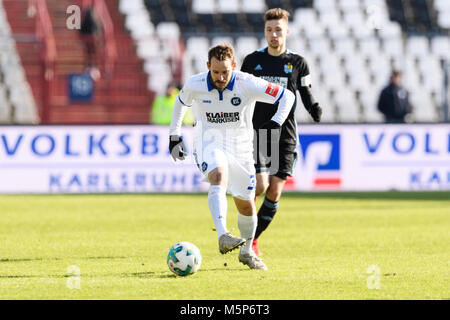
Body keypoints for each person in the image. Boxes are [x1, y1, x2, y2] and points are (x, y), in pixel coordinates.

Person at [169, 44, 295, 270]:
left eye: (225, 72)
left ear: (234, 66)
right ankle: (223, 235)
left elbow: (287, 96)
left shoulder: (247, 83)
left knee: (246, 206)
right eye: (215, 72)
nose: (220, 77)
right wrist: (174, 136)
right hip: (208, 142)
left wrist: (276, 122)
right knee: (218, 174)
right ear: (208, 66)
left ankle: (246, 252)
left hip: (241, 148)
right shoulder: (195, 84)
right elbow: (180, 102)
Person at [240, 8, 322, 255]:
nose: (273, 34)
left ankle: (252, 240)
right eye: (269, 30)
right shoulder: (253, 61)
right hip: (259, 132)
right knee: (260, 186)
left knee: (275, 192)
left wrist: (313, 107)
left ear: (287, 31)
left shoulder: (298, 63)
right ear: (264, 32)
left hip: (285, 135)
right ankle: (243, 229)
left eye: (278, 29)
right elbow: (239, 94)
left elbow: (305, 92)